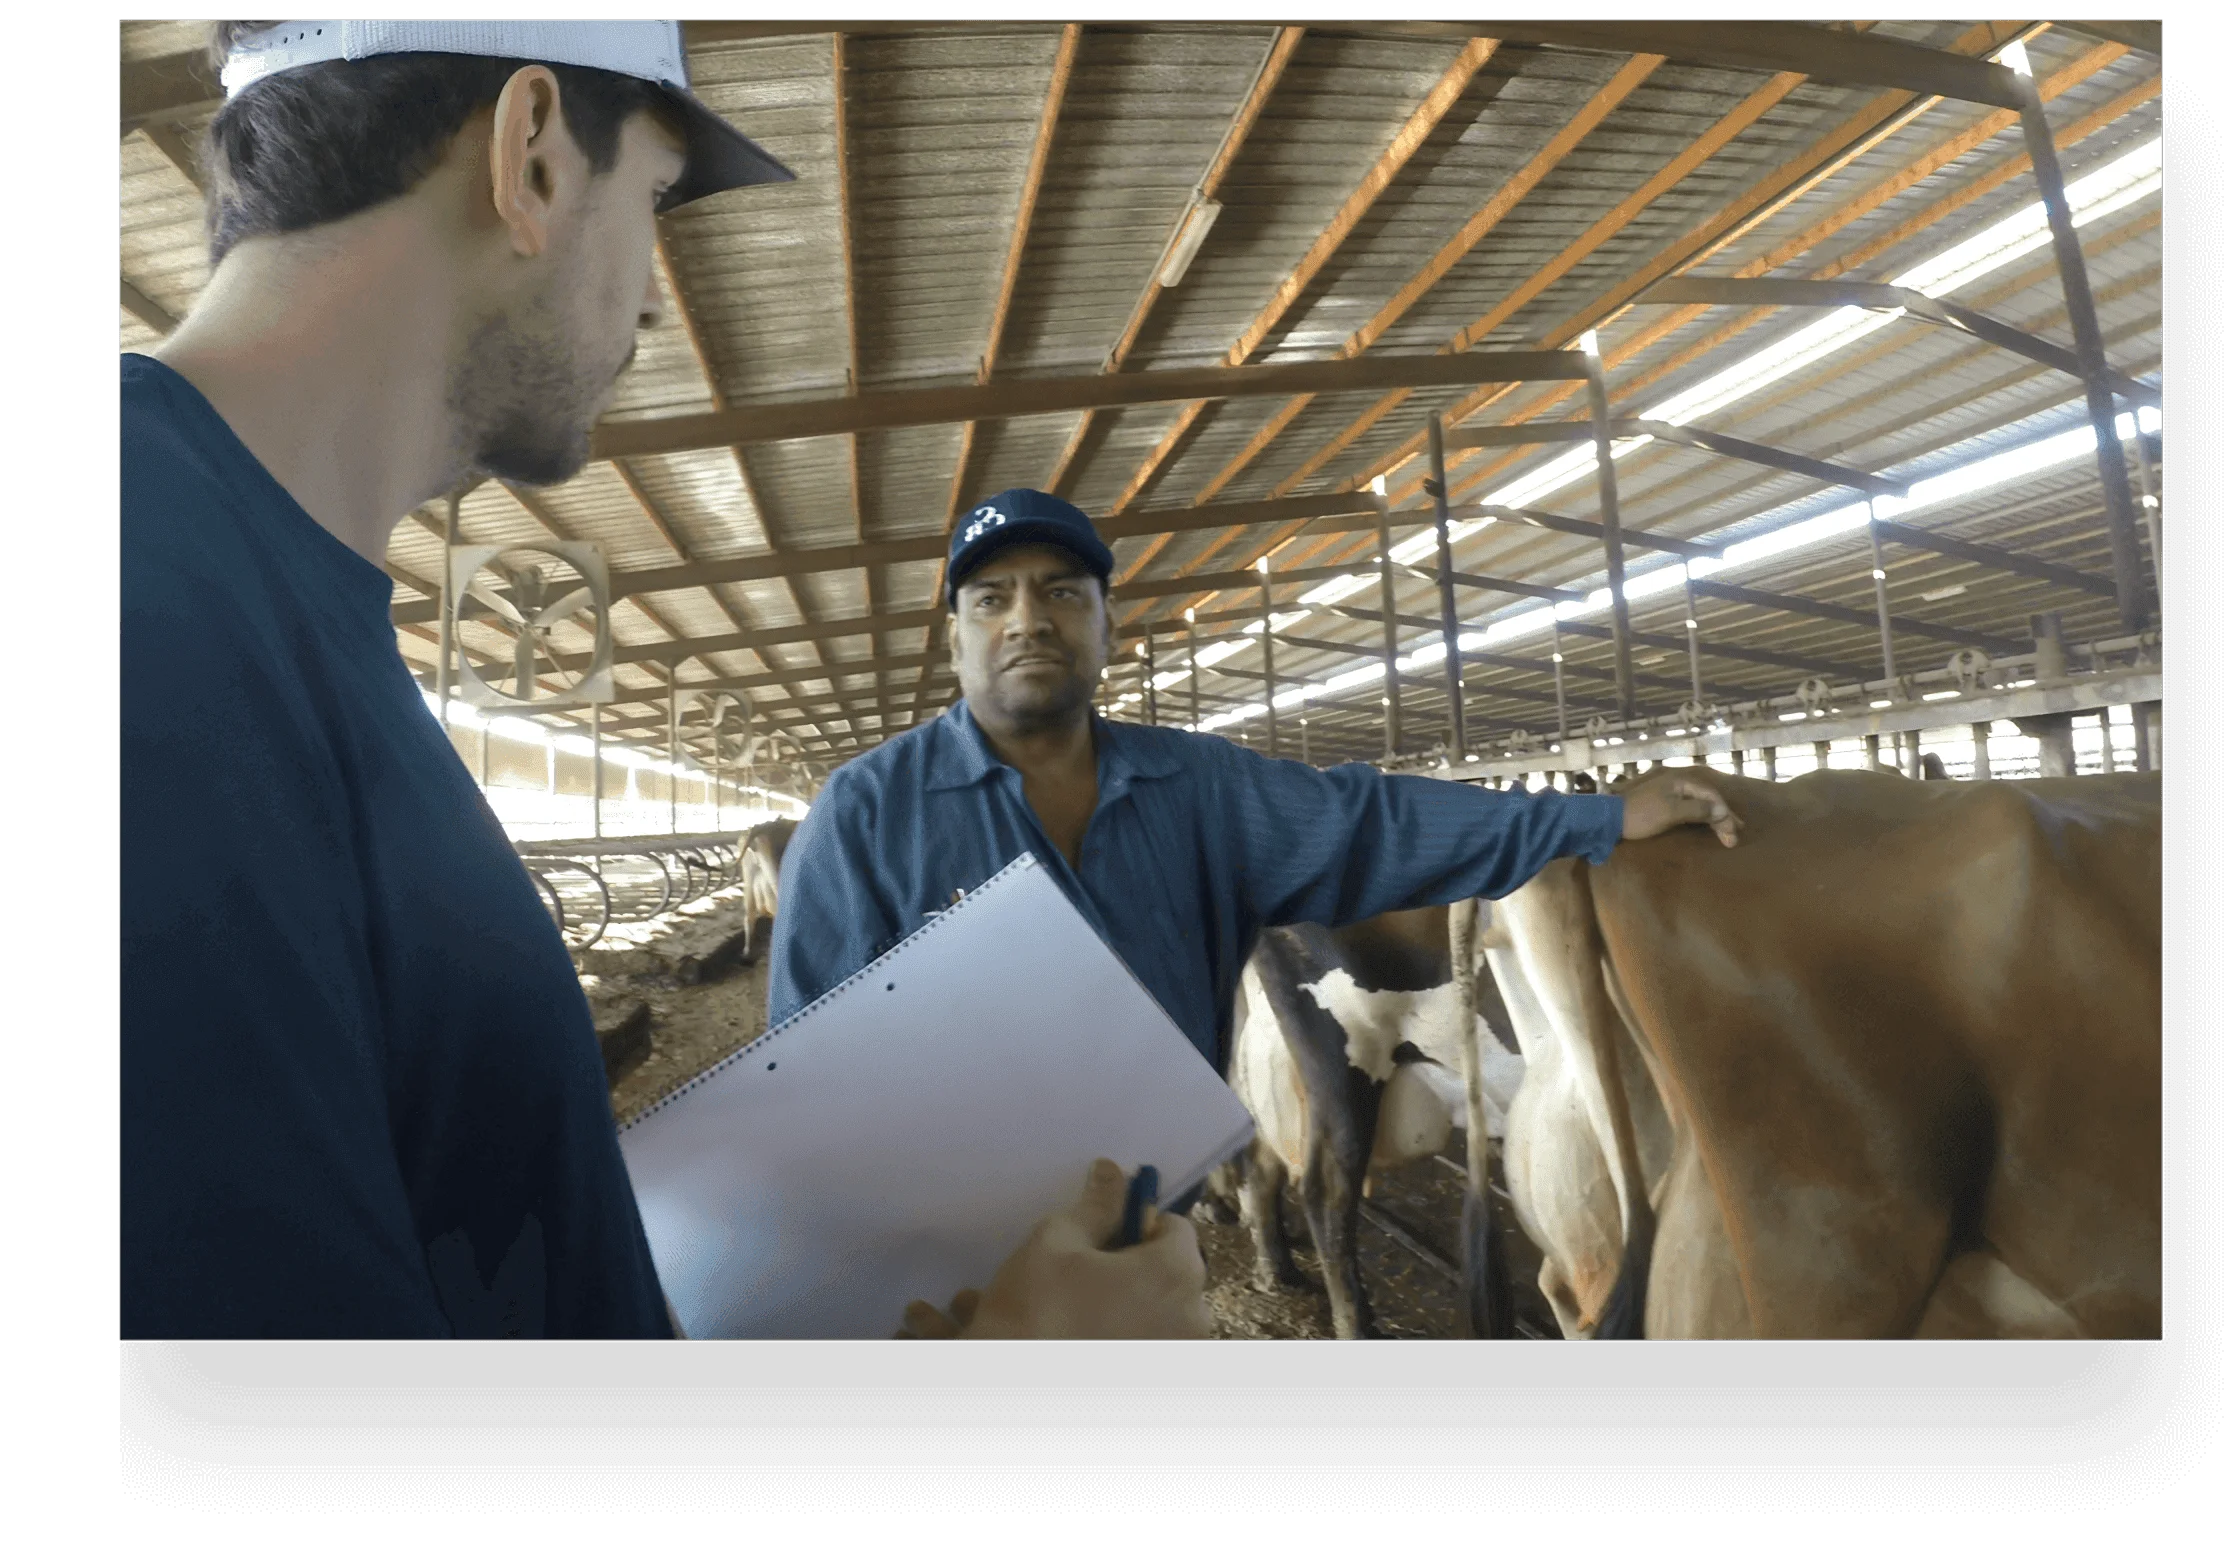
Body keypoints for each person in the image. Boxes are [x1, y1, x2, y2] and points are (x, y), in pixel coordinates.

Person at [120, 19, 1203, 1340]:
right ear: (530, 158)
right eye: (651, 200)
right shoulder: (154, 606)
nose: (646, 300)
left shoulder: (257, 596)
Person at [769, 490, 1741, 1088]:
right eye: (991, 598)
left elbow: (1377, 822)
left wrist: (1605, 816)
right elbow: (807, 1077)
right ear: (953, 638)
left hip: (1148, 1247)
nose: (1028, 618)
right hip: (951, 1268)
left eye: (1062, 591)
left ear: (1110, 628)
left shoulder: (1196, 790)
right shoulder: (864, 815)